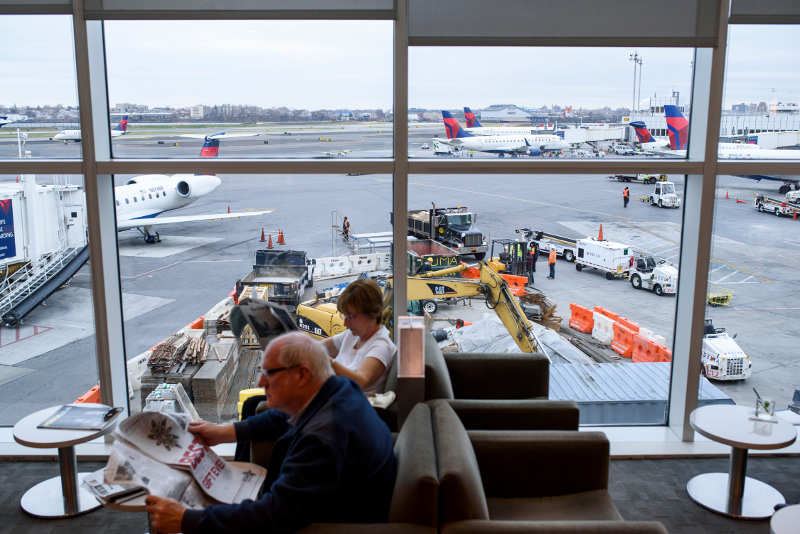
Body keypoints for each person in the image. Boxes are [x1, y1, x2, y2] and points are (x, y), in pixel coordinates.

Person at [145, 332, 397, 534]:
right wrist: (225, 433)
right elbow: (285, 415)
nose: (260, 383)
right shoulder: (341, 388)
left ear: (302, 375)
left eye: (269, 373)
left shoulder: (321, 441)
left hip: (334, 521)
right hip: (329, 502)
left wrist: (187, 521)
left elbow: (275, 515)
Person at [322, 277, 397, 397]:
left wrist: (328, 362)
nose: (345, 323)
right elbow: (317, 348)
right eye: (344, 316)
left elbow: (361, 381)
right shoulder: (353, 335)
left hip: (348, 408)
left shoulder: (381, 346)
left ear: (372, 312)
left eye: (351, 317)